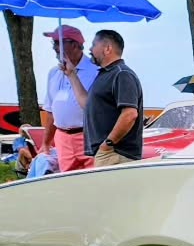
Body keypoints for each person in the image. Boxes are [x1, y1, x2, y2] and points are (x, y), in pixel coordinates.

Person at [67, 28, 144, 167]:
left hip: (116, 155)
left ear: (107, 48)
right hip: (107, 154)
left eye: (94, 45)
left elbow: (130, 114)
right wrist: (71, 74)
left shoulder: (122, 74)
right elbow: (87, 104)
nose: (89, 49)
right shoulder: (105, 75)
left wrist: (108, 144)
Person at [41, 25, 100, 172]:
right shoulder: (53, 73)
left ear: (74, 44)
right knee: (67, 182)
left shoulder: (96, 71)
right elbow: (50, 111)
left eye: (57, 42)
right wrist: (46, 143)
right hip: (63, 139)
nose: (54, 47)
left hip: (88, 137)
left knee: (93, 181)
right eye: (53, 43)